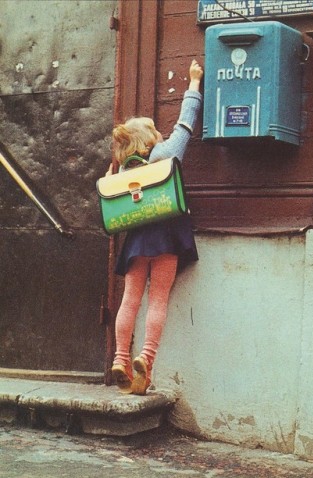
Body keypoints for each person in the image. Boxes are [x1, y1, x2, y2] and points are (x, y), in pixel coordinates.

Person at [107, 59, 203, 395]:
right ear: (149, 137)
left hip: (136, 238)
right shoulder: (164, 154)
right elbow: (186, 124)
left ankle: (120, 357)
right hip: (167, 234)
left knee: (130, 299)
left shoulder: (122, 171)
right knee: (158, 299)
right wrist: (193, 82)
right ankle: (145, 360)